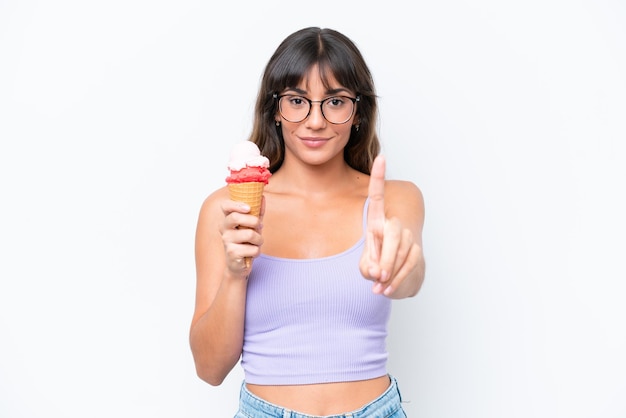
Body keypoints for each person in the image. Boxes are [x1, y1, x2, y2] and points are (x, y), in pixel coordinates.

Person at [190, 27, 425, 417]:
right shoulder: (226, 210)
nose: (315, 121)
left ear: (358, 112)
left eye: (334, 101)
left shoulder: (395, 199)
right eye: (297, 100)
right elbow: (210, 369)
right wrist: (235, 273)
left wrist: (402, 269)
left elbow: (410, 278)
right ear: (275, 111)